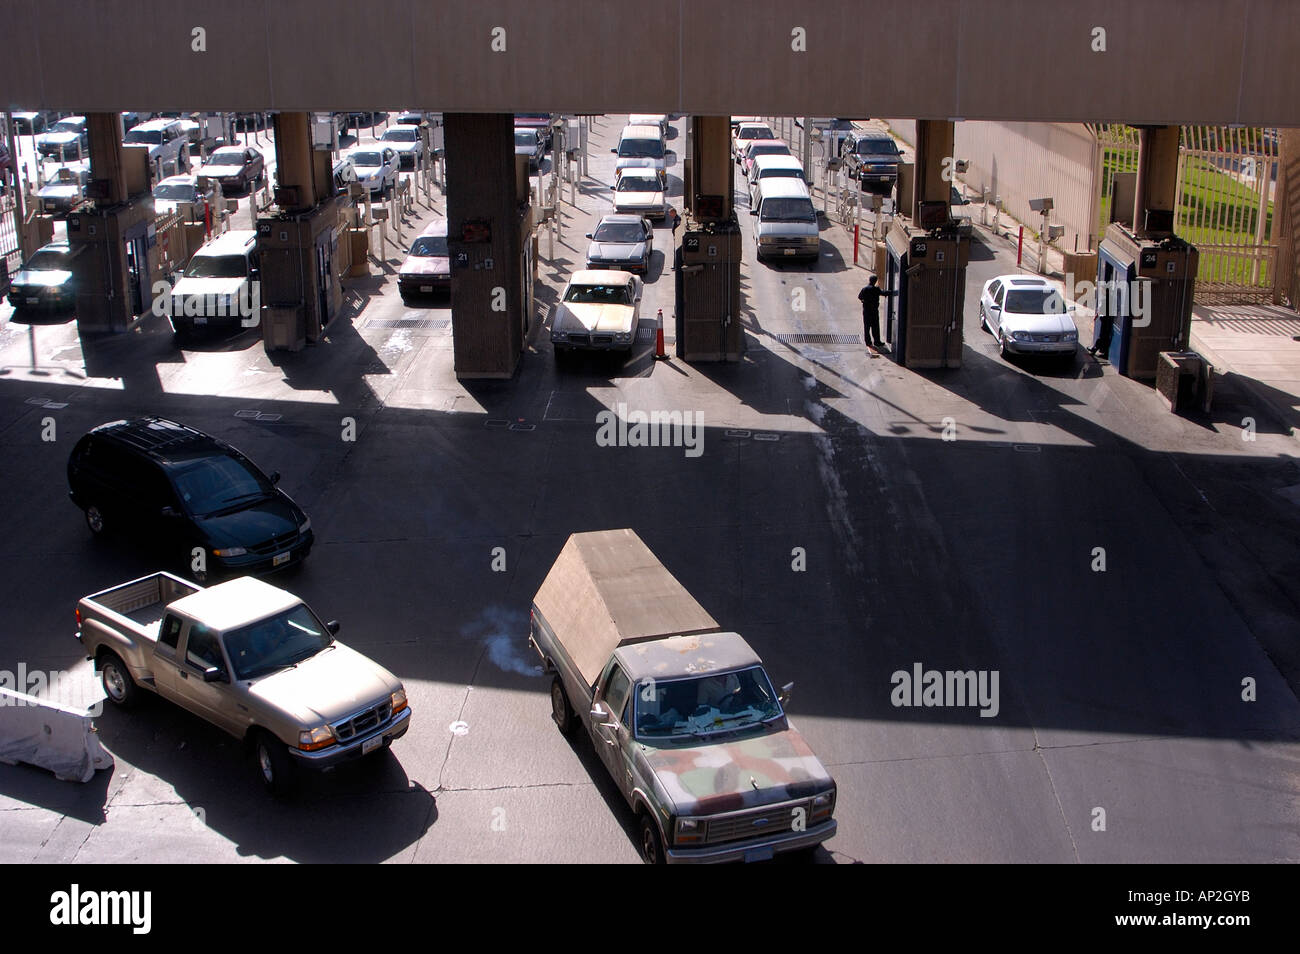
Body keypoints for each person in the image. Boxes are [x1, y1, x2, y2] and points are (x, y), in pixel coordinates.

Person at [858, 275, 893, 349]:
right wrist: (891, 292)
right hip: (874, 311)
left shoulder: (864, 289)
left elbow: (860, 297)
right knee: (875, 327)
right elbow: (883, 293)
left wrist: (864, 301)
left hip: (866, 311)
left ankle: (868, 342)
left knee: (867, 327)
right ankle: (877, 342)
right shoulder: (876, 289)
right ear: (875, 281)